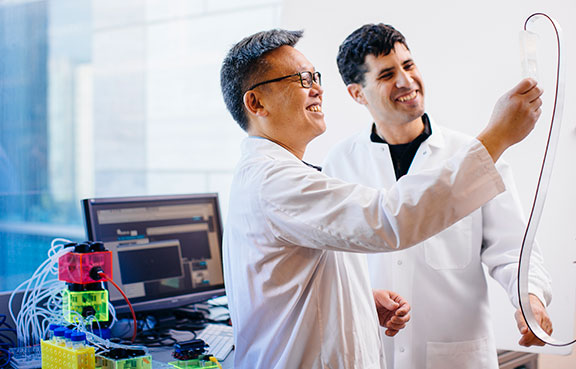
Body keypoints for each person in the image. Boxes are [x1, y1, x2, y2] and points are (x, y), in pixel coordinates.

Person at [219, 28, 542, 369]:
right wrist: (499, 135)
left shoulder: (466, 155)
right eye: (301, 79)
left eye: (315, 76)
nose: (316, 88)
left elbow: (513, 248)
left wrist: (358, 300)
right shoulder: (282, 179)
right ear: (256, 103)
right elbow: (389, 220)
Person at [323, 23, 552, 369]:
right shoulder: (339, 164)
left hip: (456, 356)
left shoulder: (473, 157)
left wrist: (529, 298)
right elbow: (329, 265)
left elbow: (514, 249)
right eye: (387, 74)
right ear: (357, 94)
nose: (406, 81)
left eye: (409, 65)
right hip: (371, 353)